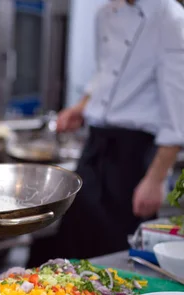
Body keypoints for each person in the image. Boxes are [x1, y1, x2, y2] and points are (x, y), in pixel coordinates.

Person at [28, 0, 184, 266]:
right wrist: (81, 108)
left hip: (134, 157)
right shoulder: (106, 13)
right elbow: (104, 77)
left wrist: (156, 179)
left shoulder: (171, 19)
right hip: (96, 144)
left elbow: (178, 111)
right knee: (74, 244)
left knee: (115, 256)